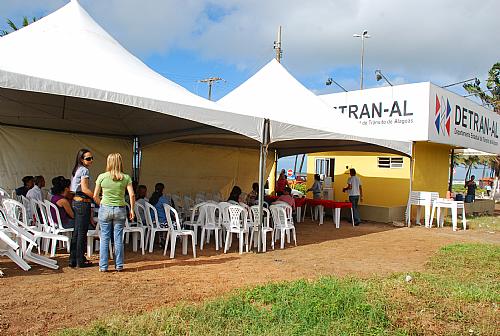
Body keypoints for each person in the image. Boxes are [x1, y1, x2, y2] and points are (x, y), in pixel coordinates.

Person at [93, 153, 134, 272]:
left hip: (105, 208)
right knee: (118, 238)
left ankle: (103, 266)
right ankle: (119, 265)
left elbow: (95, 195)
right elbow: (131, 194)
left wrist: (101, 203)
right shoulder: (126, 177)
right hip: (120, 208)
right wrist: (131, 209)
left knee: (105, 237)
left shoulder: (102, 177)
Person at [69, 148, 94, 268]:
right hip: (83, 202)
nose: (91, 160)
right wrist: (96, 197)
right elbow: (84, 189)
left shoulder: (76, 170)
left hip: (75, 201)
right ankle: (80, 260)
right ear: (81, 159)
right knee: (82, 232)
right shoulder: (84, 170)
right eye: (88, 158)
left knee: (77, 232)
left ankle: (73, 259)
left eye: (91, 158)